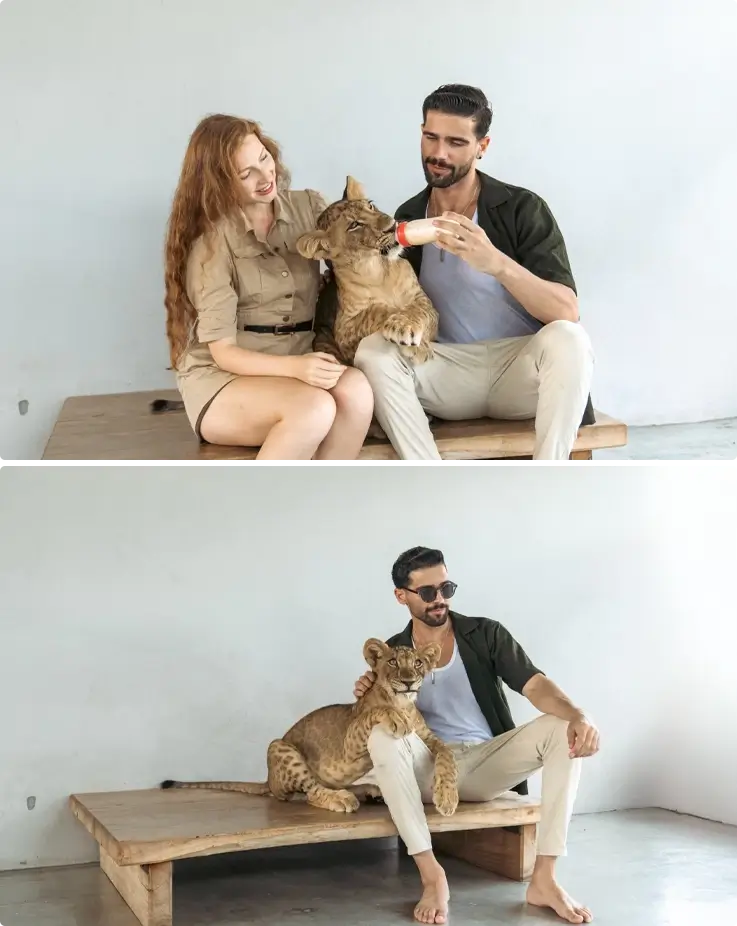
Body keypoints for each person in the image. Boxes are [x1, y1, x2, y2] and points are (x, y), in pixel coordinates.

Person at [348, 84, 595, 463]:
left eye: (456, 142)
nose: (439, 153)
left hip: (519, 372)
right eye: (431, 137)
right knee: (373, 352)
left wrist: (495, 262)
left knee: (569, 339)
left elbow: (566, 311)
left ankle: (549, 482)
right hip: (447, 369)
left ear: (483, 146)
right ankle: (427, 477)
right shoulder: (408, 216)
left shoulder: (521, 208)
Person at [352, 546, 599, 925]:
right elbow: (373, 715)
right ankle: (432, 876)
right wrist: (368, 689)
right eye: (428, 592)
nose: (440, 600)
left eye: (446, 588)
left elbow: (534, 685)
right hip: (426, 767)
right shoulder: (392, 652)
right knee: (384, 734)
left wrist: (578, 714)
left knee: (560, 725)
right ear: (402, 595)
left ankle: (545, 878)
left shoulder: (485, 633)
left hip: (485, 761)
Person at [163, 114, 374, 462]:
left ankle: (326, 504)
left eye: (264, 158)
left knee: (357, 391)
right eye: (246, 174)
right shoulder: (212, 244)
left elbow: (360, 259)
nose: (265, 177)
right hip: (225, 379)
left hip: (298, 358)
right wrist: (297, 369)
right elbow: (224, 353)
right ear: (220, 183)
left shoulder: (309, 207)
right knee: (314, 408)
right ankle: (266, 510)